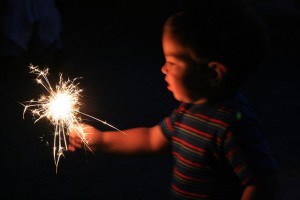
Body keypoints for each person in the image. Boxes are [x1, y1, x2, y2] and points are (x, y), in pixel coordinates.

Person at [69, 0, 279, 199]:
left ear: (213, 74)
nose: (163, 69)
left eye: (172, 62)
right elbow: (151, 139)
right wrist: (102, 139)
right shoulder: (187, 111)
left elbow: (263, 182)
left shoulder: (232, 125)